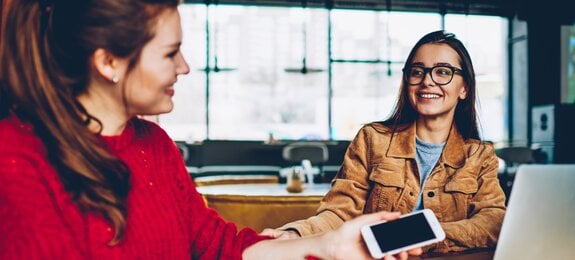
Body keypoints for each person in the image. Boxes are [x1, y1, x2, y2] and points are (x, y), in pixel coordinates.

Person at [0, 0, 423, 259]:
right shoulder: (16, 161)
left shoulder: (154, 145)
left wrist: (334, 245)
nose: (184, 67)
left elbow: (218, 248)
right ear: (108, 61)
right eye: (170, 53)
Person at [263, 30, 507, 253]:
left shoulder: (480, 155)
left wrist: (426, 233)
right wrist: (293, 234)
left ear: (464, 88)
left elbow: (492, 222)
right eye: (417, 71)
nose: (427, 81)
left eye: (443, 71)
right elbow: (339, 214)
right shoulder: (372, 139)